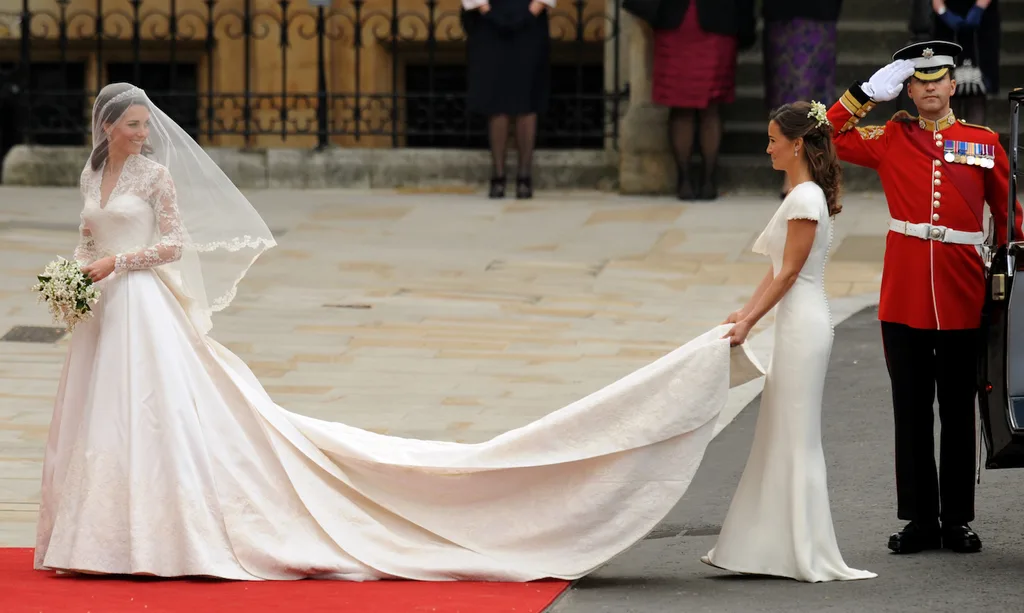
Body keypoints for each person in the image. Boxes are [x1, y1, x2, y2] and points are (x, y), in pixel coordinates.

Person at [34, 84, 770, 580]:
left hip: (141, 303)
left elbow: (172, 244)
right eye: (131, 126)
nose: (141, 133)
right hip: (105, 312)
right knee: (99, 416)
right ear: (107, 129)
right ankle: (96, 533)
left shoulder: (154, 177)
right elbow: (82, 233)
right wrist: (73, 279)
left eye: (143, 125)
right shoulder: (90, 175)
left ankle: (160, 532)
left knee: (156, 413)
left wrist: (112, 265)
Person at [825, 41, 1023, 554]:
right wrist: (863, 95)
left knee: (958, 411)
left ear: (953, 85)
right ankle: (918, 519)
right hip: (905, 295)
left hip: (961, 291)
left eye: (939, 78)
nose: (930, 86)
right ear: (907, 90)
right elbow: (823, 136)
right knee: (909, 410)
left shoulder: (983, 143)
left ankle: (956, 518)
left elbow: (1009, 217)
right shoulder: (891, 137)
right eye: (919, 80)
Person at [701, 101, 876, 583]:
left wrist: (750, 322)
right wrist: (746, 312)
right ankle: (765, 548)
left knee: (795, 437)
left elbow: (791, 273)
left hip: (804, 326)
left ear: (797, 143)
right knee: (779, 434)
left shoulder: (804, 199)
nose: (768, 147)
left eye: (774, 139)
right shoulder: (804, 193)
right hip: (797, 323)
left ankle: (801, 550)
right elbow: (775, 270)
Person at [652, 0, 756, 201]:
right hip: (681, 22)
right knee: (688, 105)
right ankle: (698, 180)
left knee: (706, 105)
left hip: (714, 22)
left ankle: (697, 180)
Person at [461, 0, 554, 200]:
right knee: (496, 98)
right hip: (488, 22)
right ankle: (498, 175)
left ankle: (524, 176)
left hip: (530, 22)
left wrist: (532, 11)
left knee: (526, 98)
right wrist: (485, 10)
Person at [762, 0, 843, 199]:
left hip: (818, 14)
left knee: (814, 92)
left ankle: (814, 169)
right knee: (787, 92)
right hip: (783, 16)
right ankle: (793, 172)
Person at [930, 0, 999, 125]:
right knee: (947, 87)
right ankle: (950, 138)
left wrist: (979, 8)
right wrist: (942, 11)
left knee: (978, 90)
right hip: (946, 23)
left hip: (982, 22)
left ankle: (975, 140)